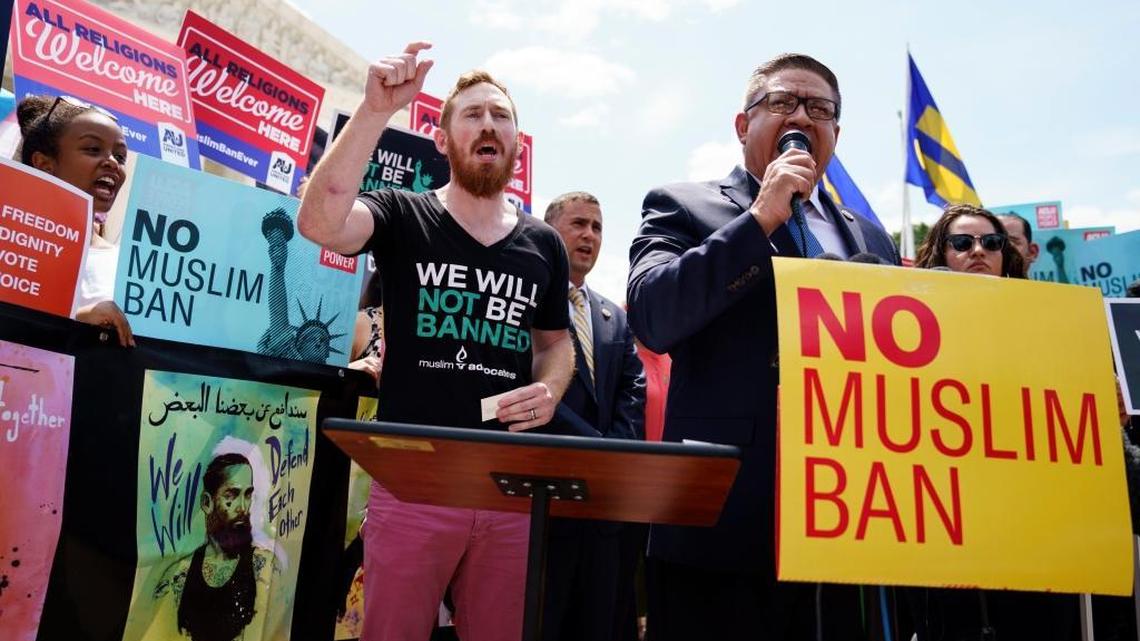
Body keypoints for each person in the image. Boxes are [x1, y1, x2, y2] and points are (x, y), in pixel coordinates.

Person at [297, 42, 575, 641]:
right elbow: (319, 223)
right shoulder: (402, 214)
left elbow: (555, 343)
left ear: (516, 147)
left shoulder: (544, 243)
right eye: (472, 114)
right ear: (443, 139)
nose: (489, 125)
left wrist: (551, 388)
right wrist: (374, 111)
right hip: (413, 482)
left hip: (508, 486)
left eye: (501, 117)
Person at [626, 53, 898, 640]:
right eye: (782, 103)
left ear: (836, 134)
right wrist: (760, 220)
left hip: (848, 522)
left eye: (819, 109)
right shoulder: (682, 206)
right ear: (743, 125)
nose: (802, 116)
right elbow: (653, 316)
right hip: (723, 521)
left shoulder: (869, 235)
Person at [540, 191, 646, 641]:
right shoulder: (527, 300)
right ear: (550, 232)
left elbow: (632, 385)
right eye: (579, 224)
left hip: (604, 511)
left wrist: (616, 449)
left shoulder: (614, 317)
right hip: (546, 502)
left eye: (597, 228)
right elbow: (530, 387)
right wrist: (593, 447)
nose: (589, 235)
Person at [17, 95, 134, 346]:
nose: (113, 163)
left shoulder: (126, 264)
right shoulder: (12, 243)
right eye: (93, 149)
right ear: (44, 164)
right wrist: (80, 320)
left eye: (120, 156)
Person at [153, 453, 275, 641]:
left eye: (248, 494)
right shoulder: (177, 575)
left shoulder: (265, 567)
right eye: (231, 495)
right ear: (207, 503)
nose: (243, 507)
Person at [914, 204, 1025, 278]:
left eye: (991, 242)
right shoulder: (919, 311)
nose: (978, 250)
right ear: (940, 254)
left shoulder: (1034, 307)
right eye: (962, 242)